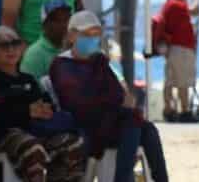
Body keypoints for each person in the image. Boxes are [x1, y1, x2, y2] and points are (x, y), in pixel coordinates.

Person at [49, 10, 169, 182]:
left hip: (110, 118)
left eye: (96, 34)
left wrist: (116, 101)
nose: (92, 39)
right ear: (72, 36)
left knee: (146, 129)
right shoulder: (61, 65)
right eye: (86, 34)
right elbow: (76, 100)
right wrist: (115, 102)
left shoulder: (99, 61)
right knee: (133, 122)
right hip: (83, 123)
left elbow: (116, 92)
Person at [0, 26, 86, 182]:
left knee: (74, 144)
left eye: (15, 43)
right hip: (5, 135)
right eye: (3, 45)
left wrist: (45, 110)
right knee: (33, 149)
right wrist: (27, 111)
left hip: (37, 130)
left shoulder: (28, 79)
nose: (11, 49)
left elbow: (47, 103)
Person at [157, 0, 199, 123]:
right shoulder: (177, 5)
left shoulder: (168, 5)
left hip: (173, 49)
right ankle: (185, 111)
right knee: (183, 81)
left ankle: (169, 109)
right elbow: (196, 10)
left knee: (170, 80)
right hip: (181, 49)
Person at [20, 0, 73, 81]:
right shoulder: (34, 55)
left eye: (67, 19)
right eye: (57, 20)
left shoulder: (75, 48)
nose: (64, 24)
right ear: (45, 24)